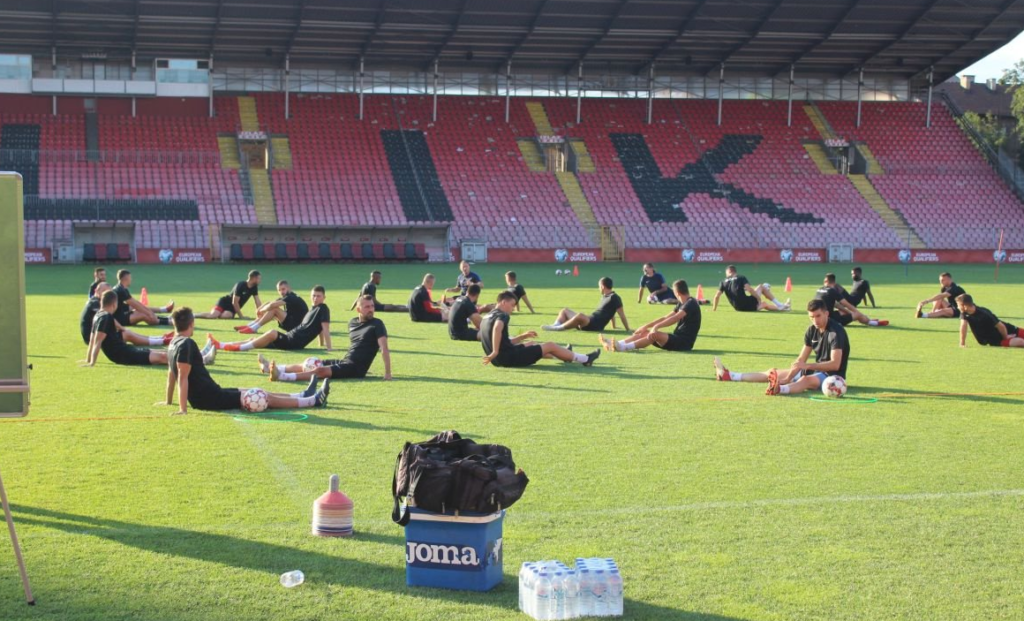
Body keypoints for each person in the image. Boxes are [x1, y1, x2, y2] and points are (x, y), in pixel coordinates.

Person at [162, 307, 328, 415]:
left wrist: (169, 401)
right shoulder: (186, 344)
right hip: (209, 398)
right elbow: (182, 377)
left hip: (212, 392)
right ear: (192, 323)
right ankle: (312, 401)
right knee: (261, 397)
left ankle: (302, 394)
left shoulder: (173, 344)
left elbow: (171, 374)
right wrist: (182, 410)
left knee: (256, 390)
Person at [714, 299, 850, 396]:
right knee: (772, 373)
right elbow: (801, 360)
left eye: (818, 316)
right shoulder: (811, 330)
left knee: (805, 380)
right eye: (811, 317)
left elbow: (835, 364)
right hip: (815, 369)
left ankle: (779, 390)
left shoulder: (835, 332)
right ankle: (730, 375)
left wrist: (807, 366)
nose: (815, 320)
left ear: (827, 313)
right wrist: (789, 377)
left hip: (832, 377)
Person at [262, 295, 393, 382]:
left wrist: (387, 373)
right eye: (367, 307)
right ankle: (273, 368)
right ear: (358, 309)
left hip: (356, 368)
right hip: (346, 361)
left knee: (320, 371)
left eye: (372, 306)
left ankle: (282, 376)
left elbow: (384, 348)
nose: (371, 309)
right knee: (312, 363)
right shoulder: (352, 323)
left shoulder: (377, 324)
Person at [482, 291, 600, 368]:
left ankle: (565, 354)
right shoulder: (502, 315)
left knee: (532, 344)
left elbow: (503, 341)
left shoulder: (486, 316)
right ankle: (585, 359)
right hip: (508, 358)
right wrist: (495, 352)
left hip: (496, 360)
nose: (513, 309)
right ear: (503, 302)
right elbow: (497, 328)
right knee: (550, 345)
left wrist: (522, 336)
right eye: (512, 305)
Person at [209, 286, 332, 352]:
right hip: (289, 338)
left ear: (324, 297)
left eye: (318, 296)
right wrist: (320, 344)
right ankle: (221, 345)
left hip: (294, 342)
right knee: (254, 340)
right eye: (313, 296)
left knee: (272, 333)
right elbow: (319, 329)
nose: (315, 298)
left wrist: (329, 347)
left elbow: (325, 328)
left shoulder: (323, 308)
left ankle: (239, 348)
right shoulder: (313, 309)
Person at [601, 280, 701, 352]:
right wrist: (646, 326)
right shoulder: (682, 303)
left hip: (684, 343)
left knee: (654, 335)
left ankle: (623, 348)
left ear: (677, 292)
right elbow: (666, 317)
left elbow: (675, 318)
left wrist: (656, 327)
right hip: (676, 338)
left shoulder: (691, 303)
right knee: (644, 332)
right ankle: (617, 343)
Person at [81, 290, 170, 367]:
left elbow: (92, 340)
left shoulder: (97, 315)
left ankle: (175, 356)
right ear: (114, 304)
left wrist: (88, 359)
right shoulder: (106, 317)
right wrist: (92, 363)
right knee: (162, 357)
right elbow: (97, 342)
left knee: (159, 352)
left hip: (125, 350)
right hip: (123, 355)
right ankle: (178, 362)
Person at [542, 277, 630, 332]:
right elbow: (610, 313)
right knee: (565, 310)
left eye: (599, 286)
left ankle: (557, 328)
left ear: (603, 286)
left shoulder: (615, 297)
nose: (599, 288)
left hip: (595, 324)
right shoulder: (605, 296)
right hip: (590, 320)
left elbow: (622, 315)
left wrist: (628, 329)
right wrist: (613, 326)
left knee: (580, 315)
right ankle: (555, 325)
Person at [234, 280, 308, 334]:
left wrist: (261, 310)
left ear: (288, 288)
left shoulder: (291, 297)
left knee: (274, 309)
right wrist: (259, 309)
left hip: (298, 327)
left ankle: (253, 328)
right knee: (271, 308)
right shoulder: (287, 296)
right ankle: (249, 326)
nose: (281, 292)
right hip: (293, 322)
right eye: (279, 290)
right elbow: (270, 302)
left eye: (283, 289)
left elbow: (273, 305)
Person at [815, 273, 888, 327]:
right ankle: (873, 323)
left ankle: (868, 320)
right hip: (830, 321)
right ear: (834, 282)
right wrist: (858, 313)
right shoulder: (832, 291)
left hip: (822, 317)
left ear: (825, 281)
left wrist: (848, 312)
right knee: (857, 314)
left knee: (844, 311)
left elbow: (836, 305)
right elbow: (847, 304)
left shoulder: (819, 290)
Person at [956, 294, 1024, 348]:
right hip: (995, 339)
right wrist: (962, 343)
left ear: (964, 306)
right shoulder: (964, 313)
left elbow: (1001, 326)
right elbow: (963, 326)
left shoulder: (984, 313)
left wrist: (1006, 337)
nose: (957, 307)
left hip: (1007, 330)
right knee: (1021, 342)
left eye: (958, 305)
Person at [712, 265, 789, 312]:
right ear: (735, 271)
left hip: (738, 308)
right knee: (761, 287)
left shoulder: (723, 282)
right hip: (748, 305)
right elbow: (749, 289)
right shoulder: (741, 277)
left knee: (764, 304)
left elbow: (716, 296)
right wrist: (758, 297)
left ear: (727, 272)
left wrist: (714, 309)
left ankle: (783, 307)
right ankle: (779, 304)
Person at [196, 270, 262, 319]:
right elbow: (235, 302)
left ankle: (218, 313)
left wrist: (261, 314)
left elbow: (257, 302)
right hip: (225, 302)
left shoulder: (254, 287)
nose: (260, 280)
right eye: (259, 278)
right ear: (254, 278)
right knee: (213, 316)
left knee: (225, 316)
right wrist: (241, 316)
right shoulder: (241, 285)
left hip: (232, 308)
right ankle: (195, 315)